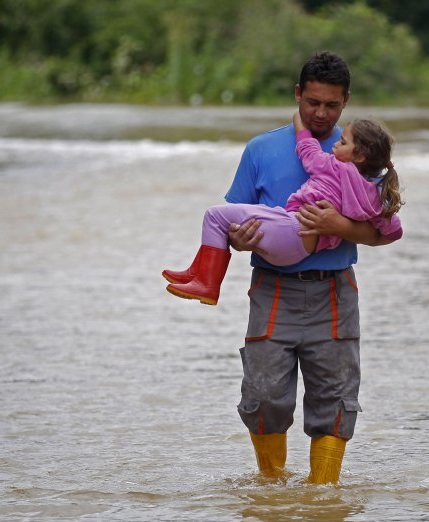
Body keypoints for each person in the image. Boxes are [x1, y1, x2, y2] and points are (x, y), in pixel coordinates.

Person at [176, 52, 397, 484]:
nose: (320, 113)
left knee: (334, 401)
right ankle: (271, 492)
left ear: (346, 102)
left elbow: (384, 231)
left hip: (334, 291)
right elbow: (233, 222)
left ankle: (323, 500)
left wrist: (339, 226)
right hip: (272, 288)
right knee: (263, 396)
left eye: (331, 105)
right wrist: (239, 242)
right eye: (312, 101)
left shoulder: (362, 151)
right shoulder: (260, 149)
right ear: (298, 94)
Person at [162, 110, 403, 305]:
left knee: (215, 216)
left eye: (342, 142)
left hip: (291, 231)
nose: (334, 146)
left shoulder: (334, 166)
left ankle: (207, 283)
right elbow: (393, 230)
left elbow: (307, 149)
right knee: (242, 217)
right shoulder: (373, 193)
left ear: (359, 156)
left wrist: (299, 122)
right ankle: (199, 272)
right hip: (301, 245)